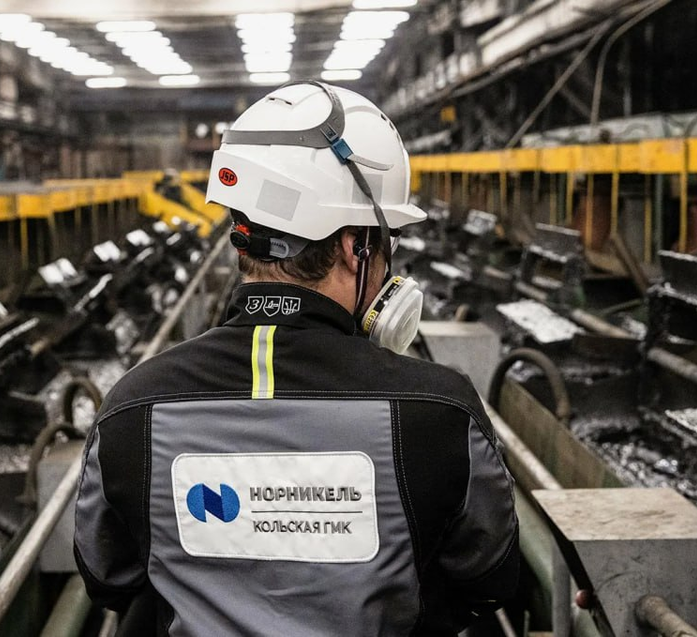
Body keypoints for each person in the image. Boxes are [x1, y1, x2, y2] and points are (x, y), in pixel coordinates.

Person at [74, 82, 519, 636]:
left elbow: (109, 579)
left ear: (243, 237)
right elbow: (491, 581)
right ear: (357, 247)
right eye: (389, 241)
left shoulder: (131, 410)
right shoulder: (441, 412)